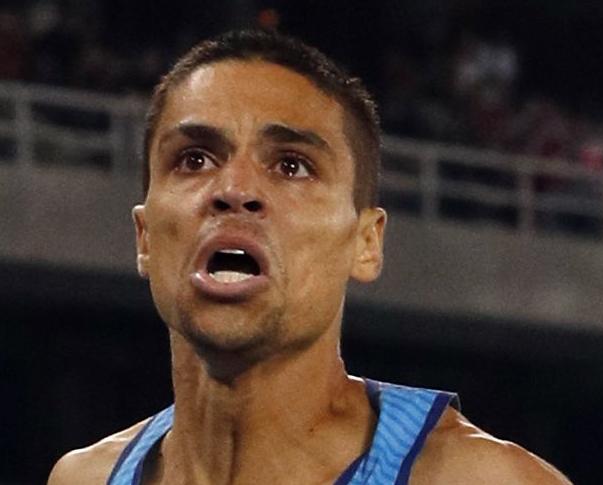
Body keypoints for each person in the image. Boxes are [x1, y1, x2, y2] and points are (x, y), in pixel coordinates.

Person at [47, 30, 571, 484]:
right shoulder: (84, 478)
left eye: (292, 166)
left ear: (366, 243)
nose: (233, 189)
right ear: (144, 236)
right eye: (195, 158)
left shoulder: (478, 479)